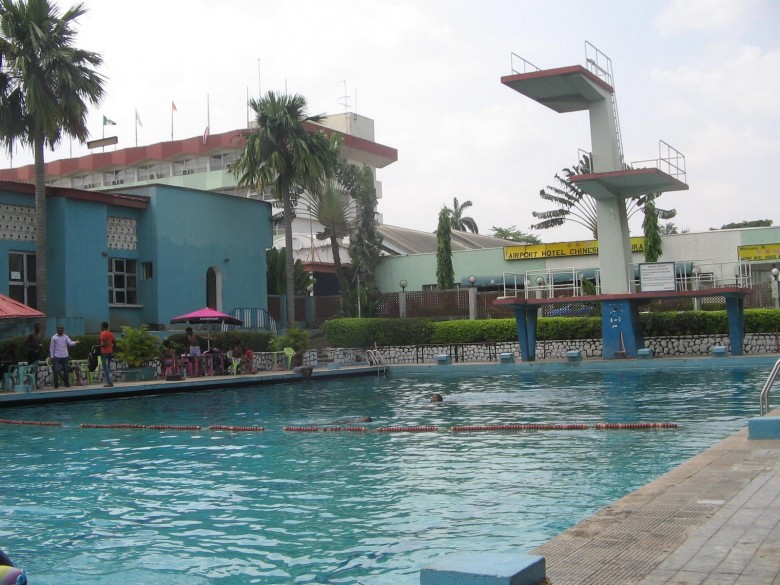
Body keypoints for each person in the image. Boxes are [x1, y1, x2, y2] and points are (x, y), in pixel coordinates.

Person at [99, 321, 115, 387]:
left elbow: (104, 344)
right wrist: (113, 349)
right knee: (108, 367)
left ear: (102, 327)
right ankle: (110, 381)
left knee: (106, 368)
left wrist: (97, 346)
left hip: (104, 353)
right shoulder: (110, 333)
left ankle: (109, 383)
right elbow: (114, 342)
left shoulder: (103, 334)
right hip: (110, 352)